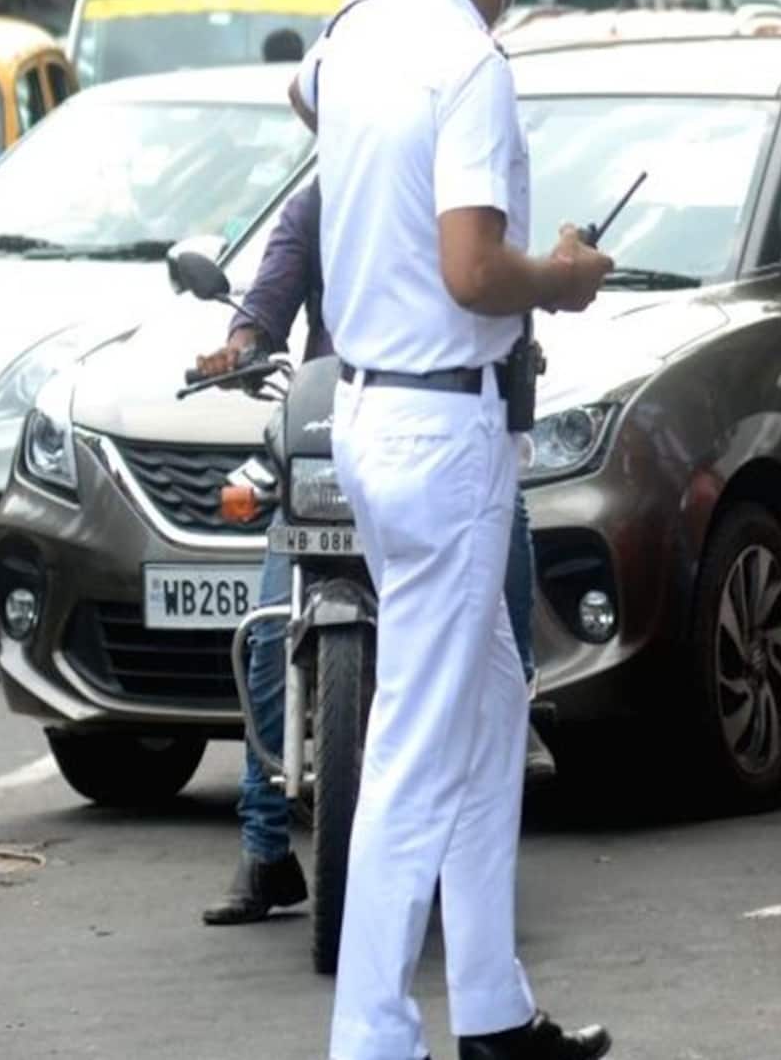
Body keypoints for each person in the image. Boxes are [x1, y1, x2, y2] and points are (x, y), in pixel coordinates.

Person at [314, 0, 612, 1060]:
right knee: (420, 739)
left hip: (372, 413)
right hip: (444, 427)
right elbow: (474, 270)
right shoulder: (472, 63)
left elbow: (314, 110)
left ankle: (490, 1007)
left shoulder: (355, 40)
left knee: (489, 701)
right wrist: (571, 278)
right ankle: (371, 1032)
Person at [192, 176, 553, 928]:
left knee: (500, 596)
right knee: (267, 635)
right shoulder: (322, 199)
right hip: (338, 431)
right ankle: (265, 845)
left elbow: (502, 300)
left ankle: (510, 738)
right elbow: (269, 298)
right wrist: (242, 343)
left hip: (443, 437)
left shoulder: (466, 197)